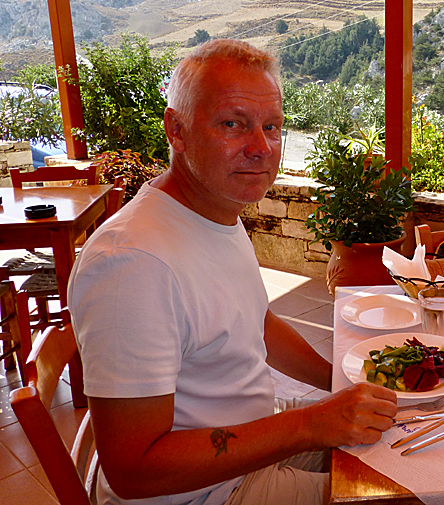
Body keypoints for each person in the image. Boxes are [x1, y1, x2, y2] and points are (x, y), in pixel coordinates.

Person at [68, 39, 398, 505]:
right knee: (407, 493)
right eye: (232, 124)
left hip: (252, 438)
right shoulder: (133, 265)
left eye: (272, 127)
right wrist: (309, 424)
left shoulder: (217, 212)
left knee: (405, 449)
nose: (261, 148)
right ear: (176, 130)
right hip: (206, 493)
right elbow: (133, 469)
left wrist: (340, 385)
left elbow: (257, 323)